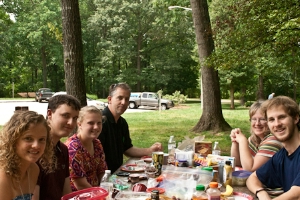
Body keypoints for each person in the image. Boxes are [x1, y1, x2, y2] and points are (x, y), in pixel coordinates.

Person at [98, 83, 163, 173]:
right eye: (120, 98)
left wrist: (150, 150)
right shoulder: (99, 122)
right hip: (103, 177)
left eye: (127, 99)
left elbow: (127, 149)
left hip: (117, 173)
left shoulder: (122, 123)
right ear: (109, 99)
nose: (124, 102)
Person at [246, 96, 300, 199]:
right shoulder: (281, 156)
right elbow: (252, 178)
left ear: (296, 118)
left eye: (282, 117)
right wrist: (262, 193)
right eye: (271, 119)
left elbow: (296, 194)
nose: (277, 124)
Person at [33, 95, 81, 200]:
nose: (71, 123)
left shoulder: (63, 149)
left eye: (75, 118)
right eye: (65, 116)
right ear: (49, 114)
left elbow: (66, 192)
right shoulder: (35, 150)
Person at [0, 111, 53, 200]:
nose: (36, 145)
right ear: (13, 141)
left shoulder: (34, 169)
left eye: (41, 139)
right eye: (28, 138)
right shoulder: (3, 176)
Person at [230, 102, 282, 171]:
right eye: (254, 119)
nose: (257, 123)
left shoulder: (273, 141)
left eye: (262, 119)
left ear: (270, 120)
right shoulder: (253, 139)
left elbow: (250, 168)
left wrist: (243, 141)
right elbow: (237, 163)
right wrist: (235, 142)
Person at [65, 106, 107, 191]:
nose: (96, 127)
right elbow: (80, 185)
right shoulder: (73, 147)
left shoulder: (97, 143)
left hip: (97, 193)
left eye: (99, 123)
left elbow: (102, 172)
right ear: (79, 124)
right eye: (91, 123)